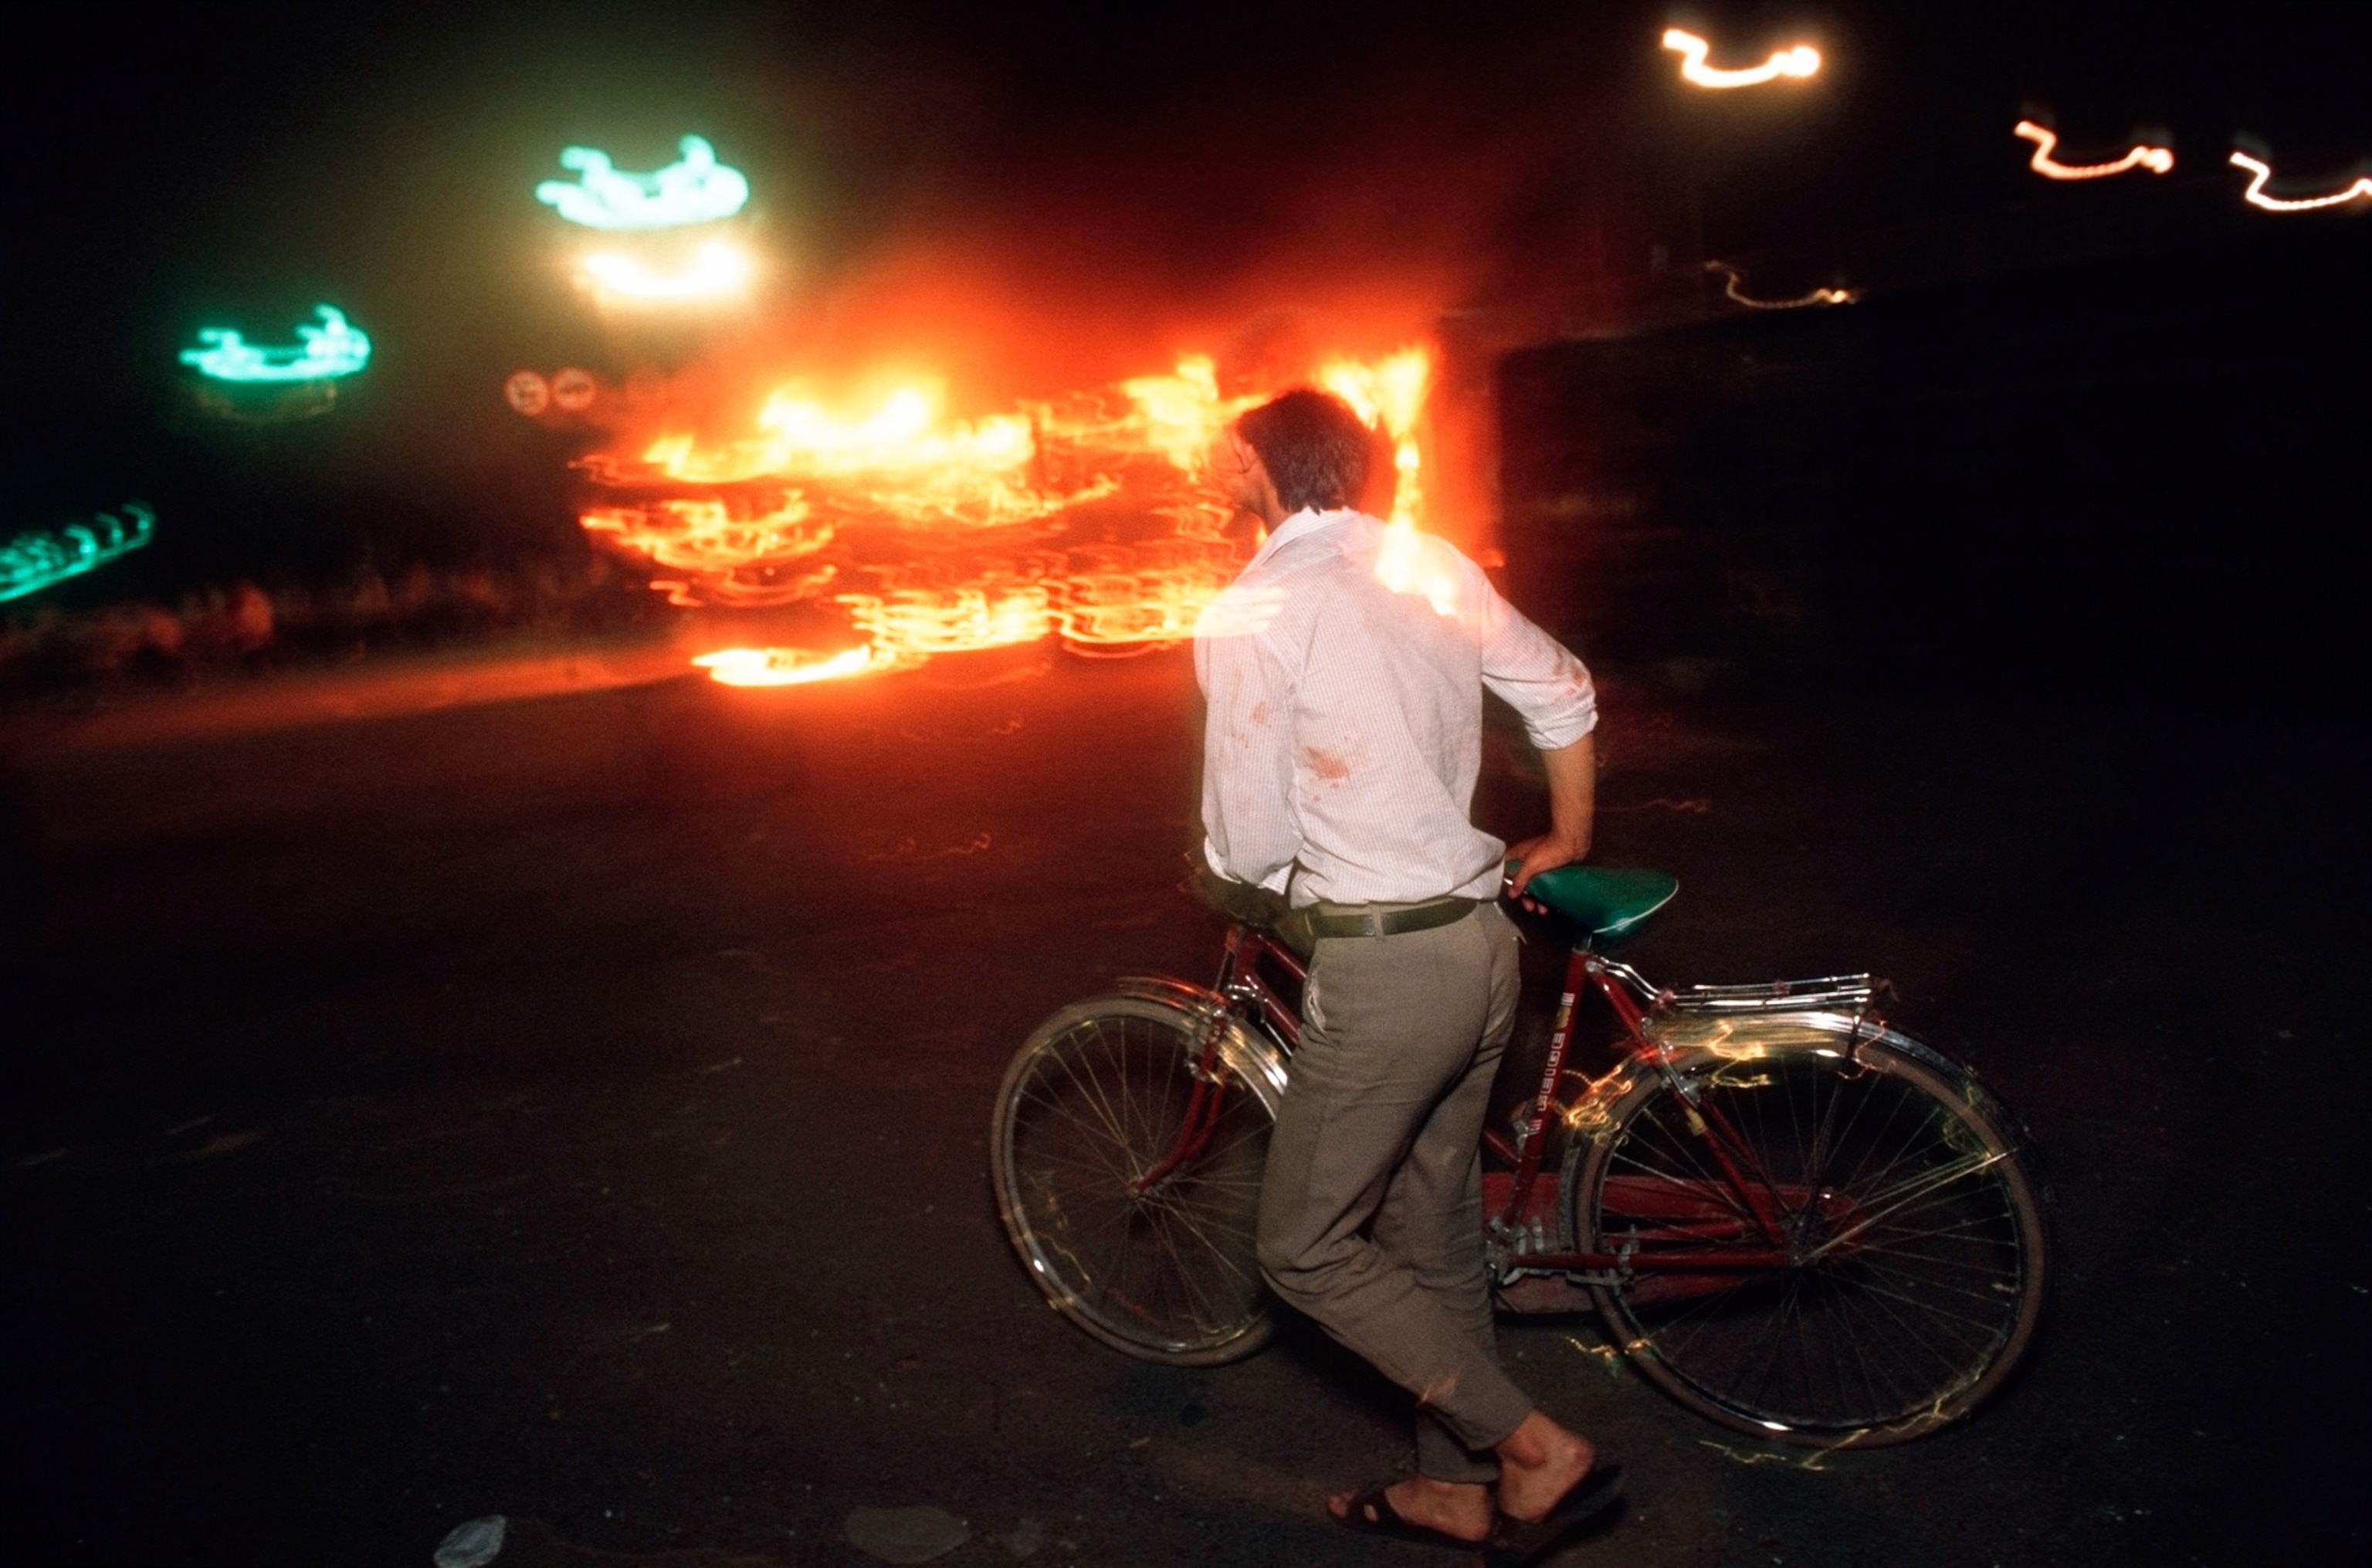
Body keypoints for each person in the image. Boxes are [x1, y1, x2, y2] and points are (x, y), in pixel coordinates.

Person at [1194, 389, 1621, 1563]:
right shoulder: (1425, 564)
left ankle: (1530, 1444)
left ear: (1254, 464)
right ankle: (1453, 1486)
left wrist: (1242, 879)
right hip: (1486, 951)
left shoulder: (1256, 608)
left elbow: (1245, 840)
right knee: (1431, 1233)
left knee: (1303, 1248)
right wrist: (1568, 838)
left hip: (1388, 970)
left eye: (1219, 449)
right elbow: (1562, 687)